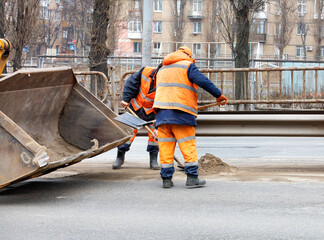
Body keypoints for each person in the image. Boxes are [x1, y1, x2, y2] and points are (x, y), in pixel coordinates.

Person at [153, 46, 228, 188]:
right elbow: (203, 81)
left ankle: (166, 180)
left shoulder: (161, 69)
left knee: (165, 149)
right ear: (188, 55)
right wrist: (219, 95)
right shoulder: (187, 66)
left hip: (162, 116)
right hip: (181, 114)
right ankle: (192, 178)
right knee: (188, 147)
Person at [113, 64, 162, 170]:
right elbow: (131, 83)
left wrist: (159, 125)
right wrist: (126, 99)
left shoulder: (167, 83)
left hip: (152, 112)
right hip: (135, 107)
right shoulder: (146, 71)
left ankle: (153, 160)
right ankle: (120, 157)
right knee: (128, 132)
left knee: (154, 136)